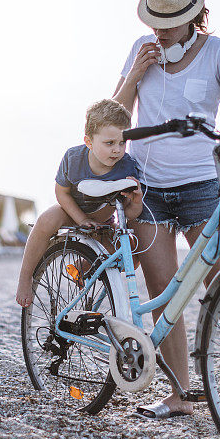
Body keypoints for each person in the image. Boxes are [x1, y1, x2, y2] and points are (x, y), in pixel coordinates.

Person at [113, 0, 220, 421]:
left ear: (196, 13)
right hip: (149, 189)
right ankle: (181, 393)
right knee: (166, 293)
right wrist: (135, 73)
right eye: (155, 21)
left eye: (169, 22)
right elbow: (115, 117)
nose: (160, 31)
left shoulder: (219, 52)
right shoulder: (140, 52)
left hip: (203, 186)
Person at [15, 99, 143, 308]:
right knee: (46, 219)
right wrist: (80, 218)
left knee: (133, 254)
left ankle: (82, 267)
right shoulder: (74, 158)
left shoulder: (126, 165)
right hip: (71, 209)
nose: (117, 150)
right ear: (89, 142)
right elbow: (61, 192)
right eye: (109, 143)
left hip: (103, 218)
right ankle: (25, 276)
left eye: (122, 143)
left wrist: (136, 202)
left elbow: (128, 213)